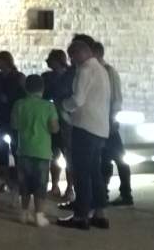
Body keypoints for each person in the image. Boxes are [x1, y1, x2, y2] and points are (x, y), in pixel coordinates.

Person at [56, 34, 111, 231]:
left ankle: (81, 216)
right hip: (100, 128)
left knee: (82, 173)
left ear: (80, 53)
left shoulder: (85, 70)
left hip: (84, 127)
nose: (72, 62)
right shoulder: (101, 70)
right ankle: (100, 213)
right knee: (95, 172)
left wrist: (63, 105)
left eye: (72, 57)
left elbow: (78, 99)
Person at [13, 74, 60, 227]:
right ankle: (39, 215)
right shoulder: (48, 106)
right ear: (42, 88)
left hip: (24, 149)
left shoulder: (19, 104)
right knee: (40, 184)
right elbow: (54, 128)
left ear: (26, 88)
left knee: (24, 184)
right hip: (42, 151)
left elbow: (15, 125)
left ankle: (24, 212)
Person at [95, 42, 132, 207]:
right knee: (107, 157)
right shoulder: (99, 71)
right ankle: (105, 192)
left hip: (108, 120)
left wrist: (112, 118)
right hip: (102, 120)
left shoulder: (109, 72)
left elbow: (116, 97)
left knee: (116, 156)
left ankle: (124, 193)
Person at [0, 50, 26, 189]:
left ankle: (18, 179)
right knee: (2, 148)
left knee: (16, 148)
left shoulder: (18, 77)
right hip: (1, 117)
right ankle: (3, 178)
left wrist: (9, 99)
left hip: (15, 117)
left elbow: (23, 95)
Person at [42, 49, 73, 200]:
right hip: (51, 118)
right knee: (53, 154)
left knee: (68, 156)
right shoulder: (47, 77)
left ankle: (70, 188)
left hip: (66, 120)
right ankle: (54, 186)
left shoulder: (70, 76)